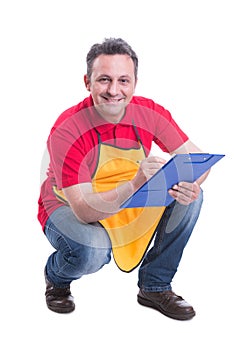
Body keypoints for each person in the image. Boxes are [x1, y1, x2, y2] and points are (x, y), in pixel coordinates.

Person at [38, 38, 209, 320]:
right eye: (104, 80)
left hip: (129, 193)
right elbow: (82, 209)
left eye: (123, 81)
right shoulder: (68, 130)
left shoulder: (150, 112)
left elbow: (197, 160)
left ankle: (155, 286)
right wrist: (135, 183)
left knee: (191, 197)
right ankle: (56, 277)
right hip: (68, 205)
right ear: (87, 82)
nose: (114, 91)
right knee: (92, 252)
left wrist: (191, 184)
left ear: (135, 83)